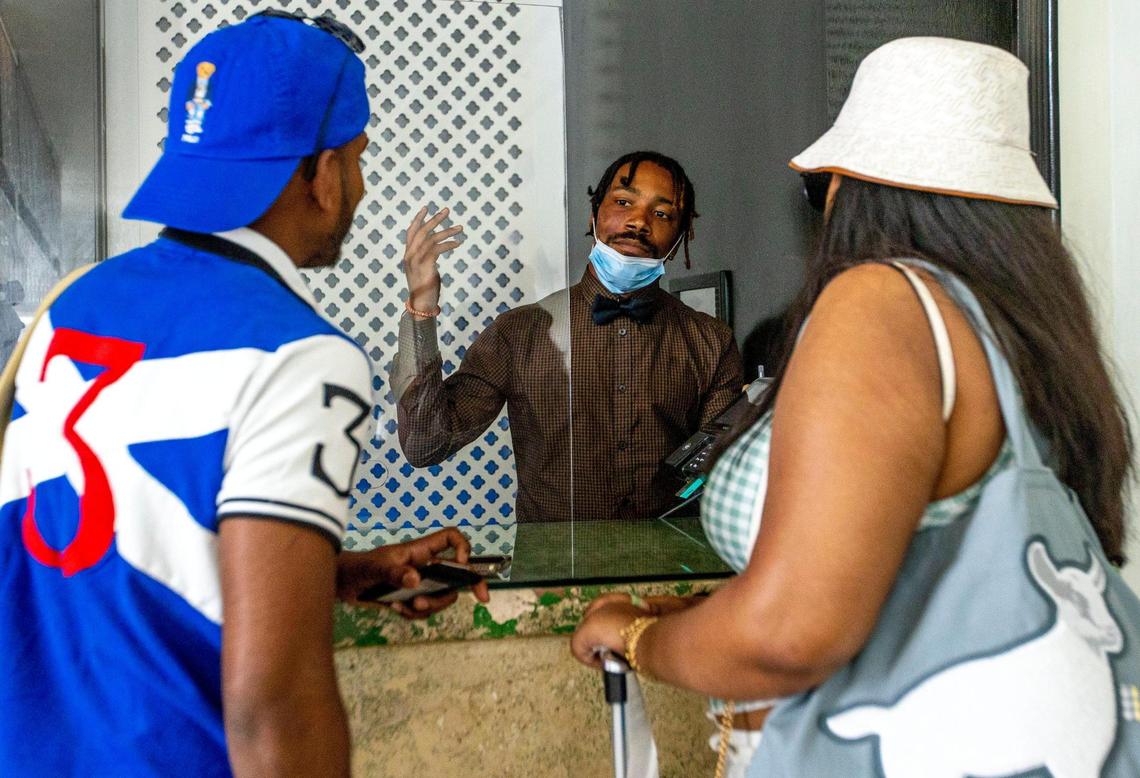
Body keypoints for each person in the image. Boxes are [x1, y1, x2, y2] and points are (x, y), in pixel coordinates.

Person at [572, 37, 1139, 776]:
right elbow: (901, 571)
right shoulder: (1029, 333)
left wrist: (636, 638)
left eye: (824, 186)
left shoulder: (882, 302)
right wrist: (708, 619)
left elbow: (792, 634)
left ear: (856, 183)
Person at [0, 14, 487, 777]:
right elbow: (274, 706)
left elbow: (100, 552)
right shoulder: (304, 358)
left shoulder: (70, 311)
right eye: (357, 160)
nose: (358, 186)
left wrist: (337, 572)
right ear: (320, 175)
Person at [391, 151, 744, 521]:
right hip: (552, 573)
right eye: (624, 202)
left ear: (682, 235)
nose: (639, 221)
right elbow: (425, 446)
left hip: (667, 568)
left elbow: (718, 483)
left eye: (662, 213)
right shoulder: (517, 333)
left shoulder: (711, 342)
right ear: (594, 215)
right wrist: (422, 303)